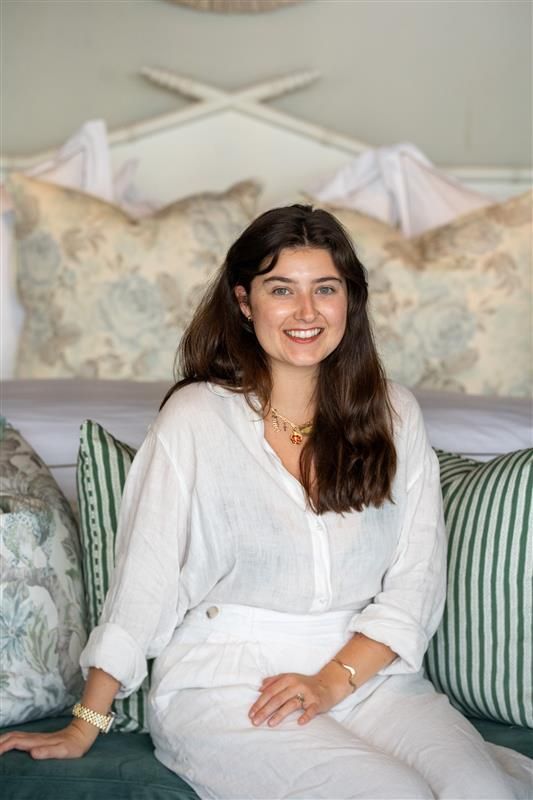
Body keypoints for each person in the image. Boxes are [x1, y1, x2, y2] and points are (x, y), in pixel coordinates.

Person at [0, 205, 531, 799]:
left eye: (324, 289)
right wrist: (84, 723)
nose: (306, 312)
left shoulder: (394, 412)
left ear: (349, 301)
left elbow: (417, 582)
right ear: (245, 303)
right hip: (229, 682)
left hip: (370, 675)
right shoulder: (196, 418)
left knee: (484, 794)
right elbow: (142, 585)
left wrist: (332, 681)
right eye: (282, 289)